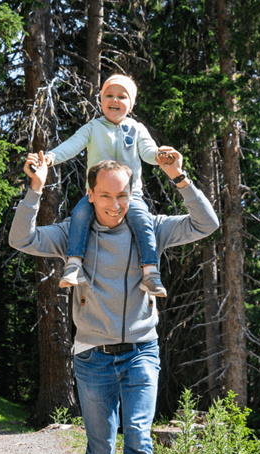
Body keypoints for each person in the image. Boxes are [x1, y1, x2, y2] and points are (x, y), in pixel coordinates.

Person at [10, 151, 218, 454]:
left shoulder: (151, 230)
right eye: (105, 196)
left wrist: (178, 177)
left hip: (141, 351)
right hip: (92, 357)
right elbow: (22, 239)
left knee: (139, 441)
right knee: (100, 448)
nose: (114, 205)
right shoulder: (75, 233)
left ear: (132, 196)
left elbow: (206, 223)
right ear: (90, 195)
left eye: (122, 196)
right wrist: (36, 188)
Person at [29, 74, 174, 297]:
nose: (114, 100)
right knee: (79, 215)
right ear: (101, 100)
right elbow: (72, 145)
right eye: (108, 95)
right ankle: (74, 265)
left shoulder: (136, 129)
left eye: (121, 96)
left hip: (130, 194)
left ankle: (151, 272)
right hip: (98, 194)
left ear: (131, 104)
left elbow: (148, 151)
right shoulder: (93, 127)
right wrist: (50, 158)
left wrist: (159, 156)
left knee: (142, 218)